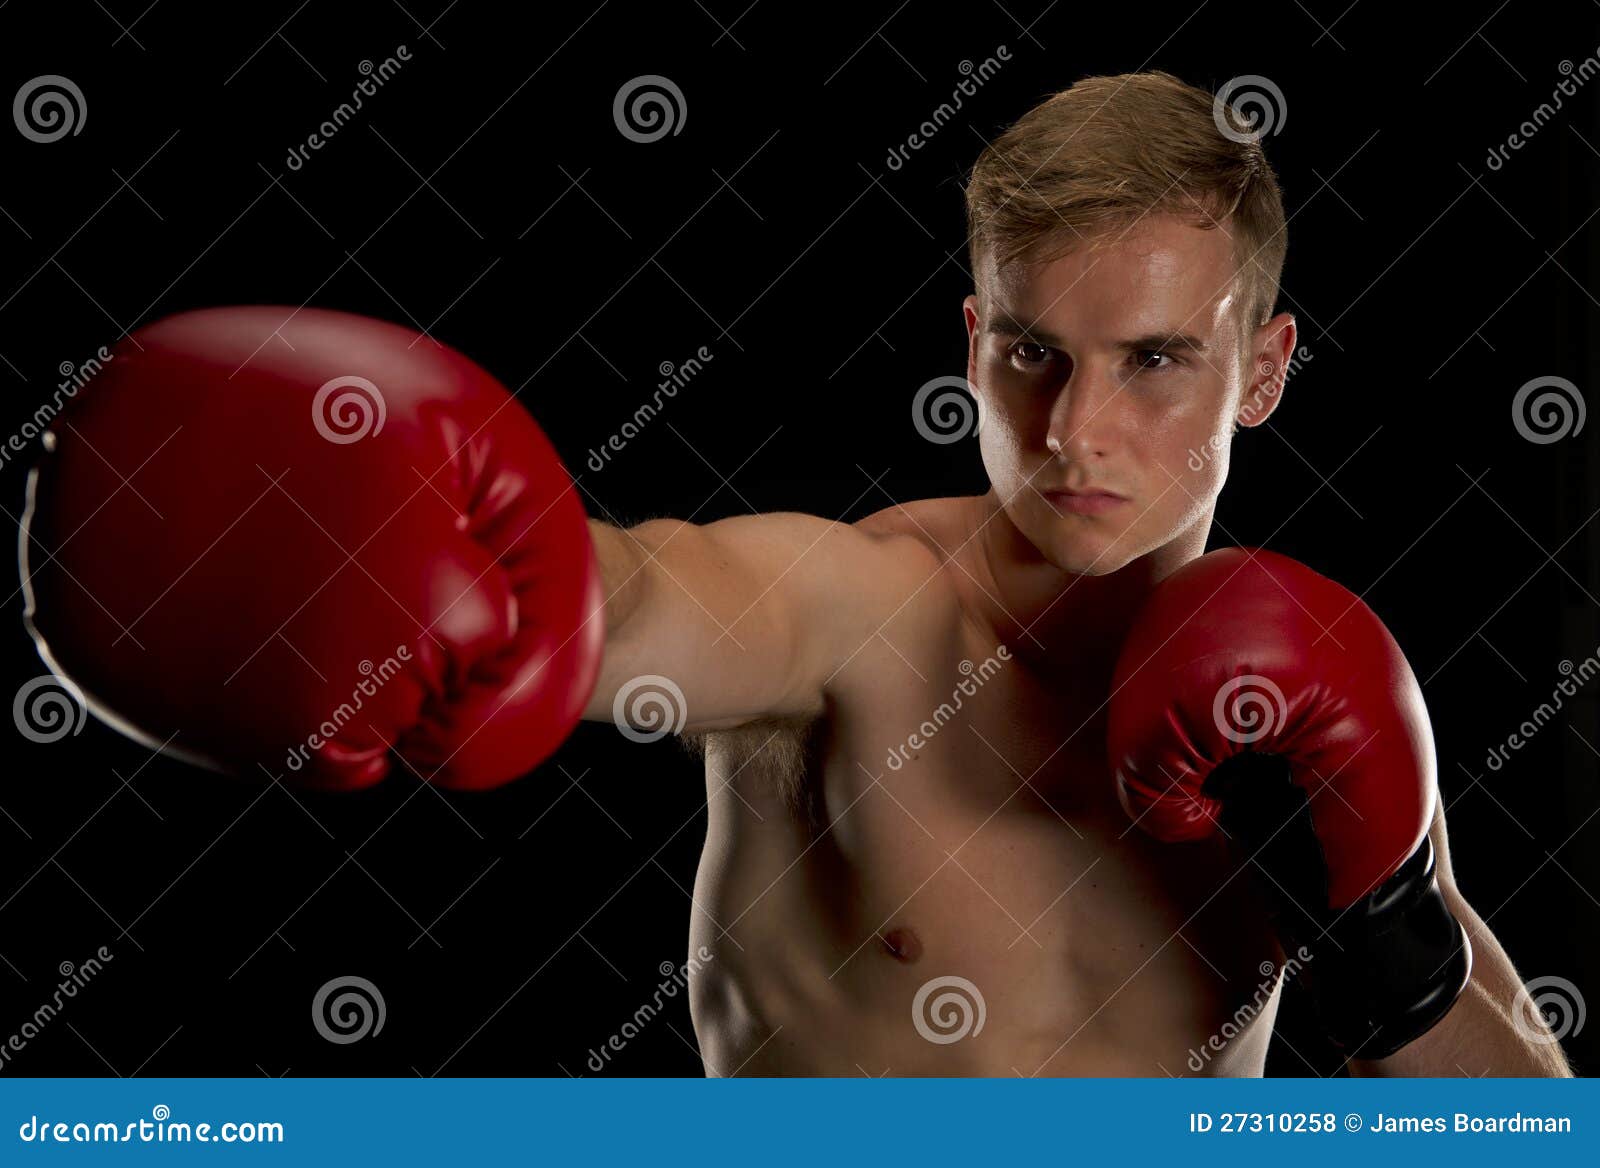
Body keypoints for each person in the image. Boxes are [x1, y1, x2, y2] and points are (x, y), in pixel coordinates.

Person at [21, 71, 1572, 1076]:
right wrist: (494, 582)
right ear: (973, 344)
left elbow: (1513, 1127)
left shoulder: (1299, 699)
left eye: (1158, 361)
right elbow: (640, 596)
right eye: (1033, 355)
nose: (1078, 431)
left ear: (1266, 370)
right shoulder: (864, 616)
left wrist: (1389, 924)